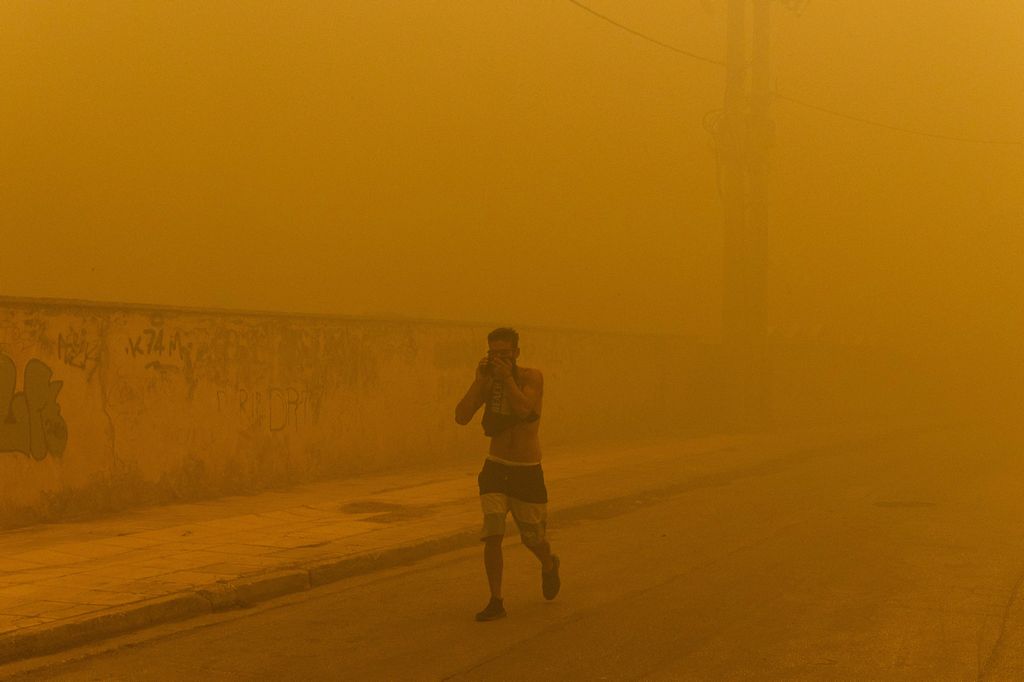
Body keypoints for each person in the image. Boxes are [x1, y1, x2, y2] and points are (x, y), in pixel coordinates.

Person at [455, 327, 560, 621]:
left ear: (516, 353)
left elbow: (526, 410)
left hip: (526, 471)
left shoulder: (531, 378)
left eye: (505, 354)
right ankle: (496, 599)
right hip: (496, 467)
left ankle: (549, 563)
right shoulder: (489, 382)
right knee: (493, 534)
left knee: (532, 538)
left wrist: (507, 379)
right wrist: (479, 383)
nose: (499, 359)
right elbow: (461, 416)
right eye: (494, 354)